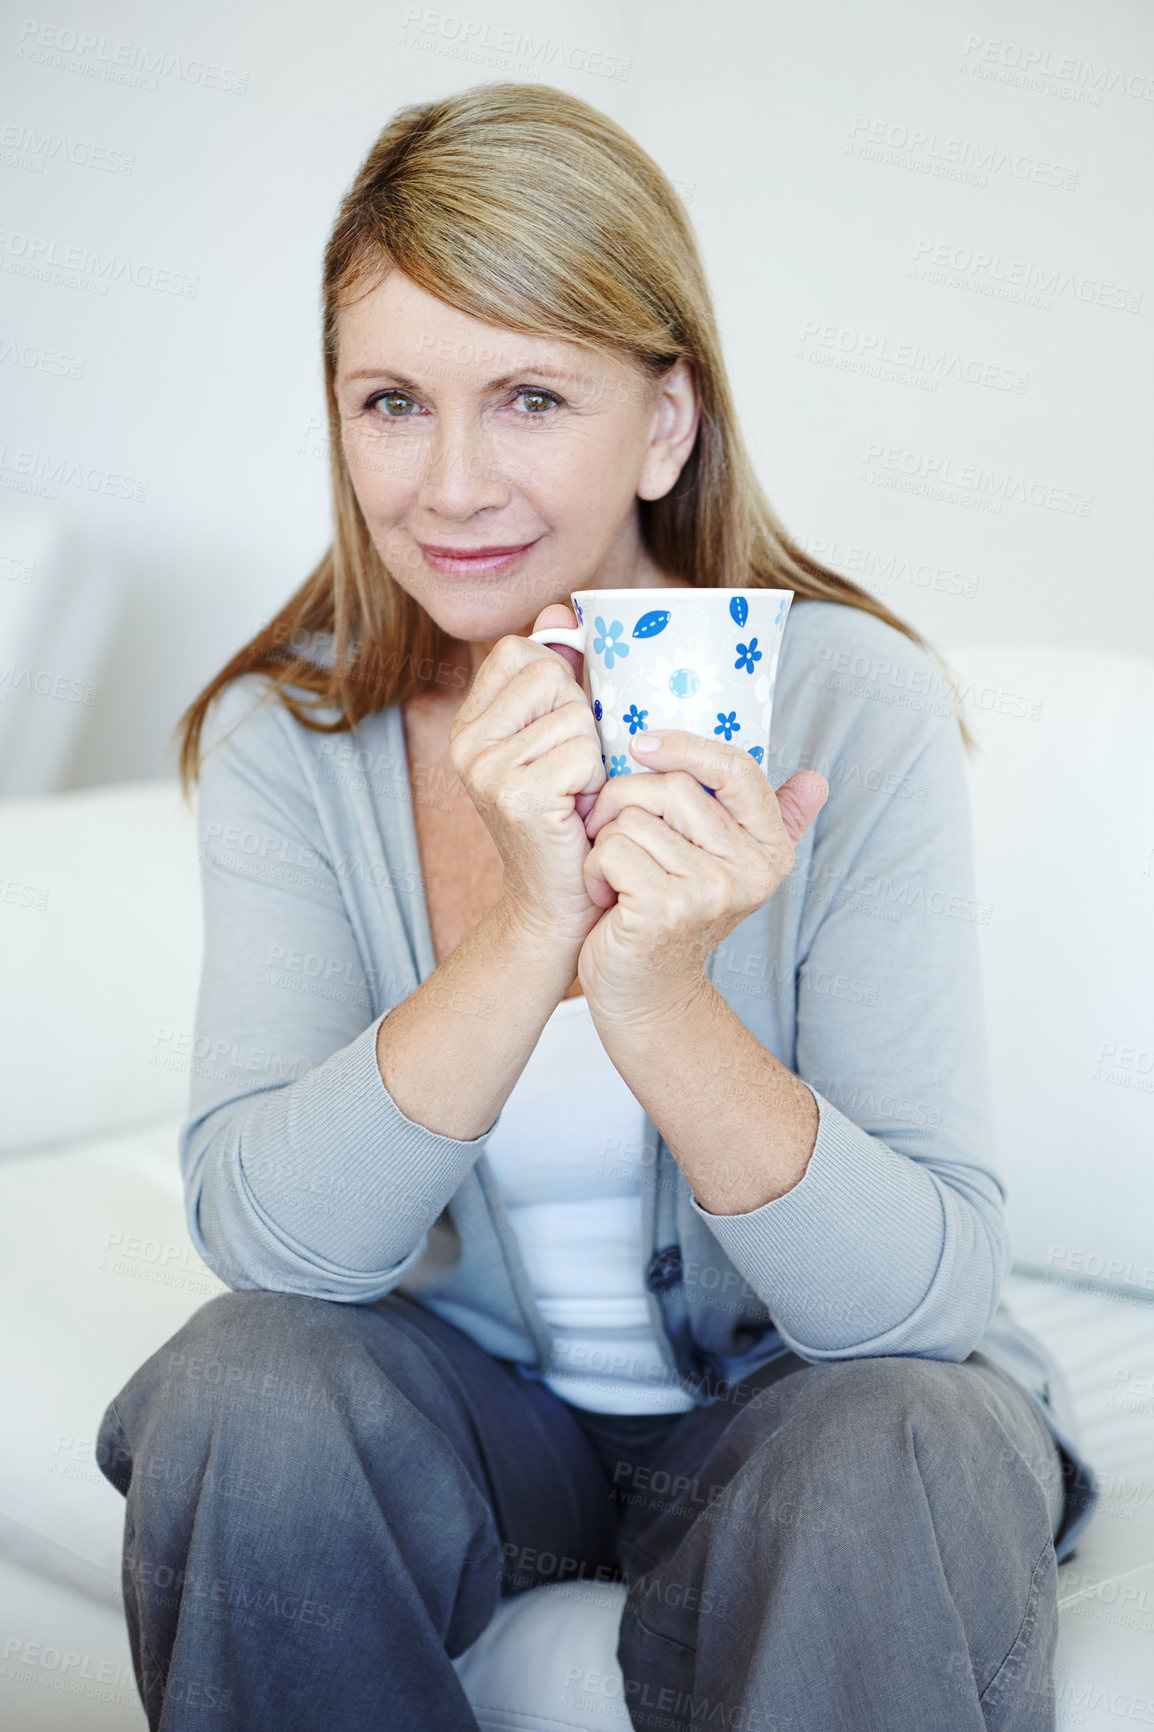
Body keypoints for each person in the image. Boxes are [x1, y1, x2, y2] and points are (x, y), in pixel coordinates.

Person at [95, 81, 1098, 1731]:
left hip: (808, 1421)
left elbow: (915, 1310)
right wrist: (520, 937)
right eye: (393, 402)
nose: (450, 484)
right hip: (474, 1429)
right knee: (244, 1387)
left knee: (908, 1436)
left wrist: (654, 991)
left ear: (665, 421)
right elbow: (273, 1246)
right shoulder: (296, 734)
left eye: (532, 395)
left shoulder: (852, 702)